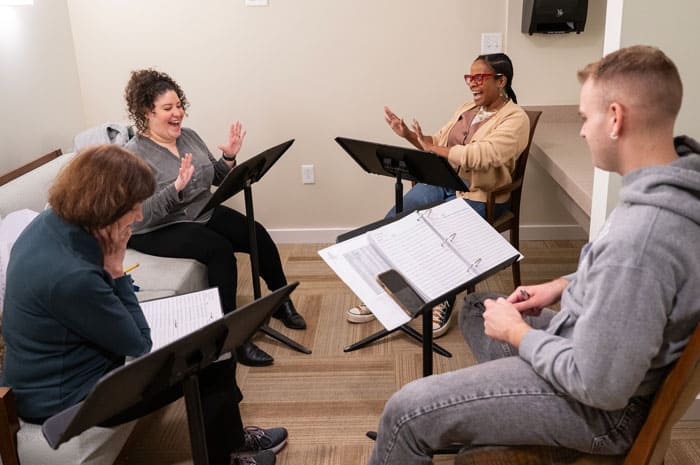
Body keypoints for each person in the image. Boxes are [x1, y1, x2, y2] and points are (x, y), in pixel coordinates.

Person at [366, 45, 700, 465]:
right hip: (582, 348)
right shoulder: (673, 196)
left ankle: (487, 411)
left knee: (405, 411)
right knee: (476, 308)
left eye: (585, 118)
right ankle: (492, 407)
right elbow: (637, 288)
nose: (581, 132)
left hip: (597, 409)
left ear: (615, 118)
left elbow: (600, 385)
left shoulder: (642, 238)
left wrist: (520, 334)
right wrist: (563, 284)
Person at [1, 146, 287, 465]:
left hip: (66, 371)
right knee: (206, 359)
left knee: (215, 341)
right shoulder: (71, 276)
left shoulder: (52, 222)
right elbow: (138, 343)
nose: (138, 216)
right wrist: (116, 267)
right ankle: (226, 458)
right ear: (104, 207)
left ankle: (232, 441)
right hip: (68, 400)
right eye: (133, 208)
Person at [124, 68, 306, 367]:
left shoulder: (189, 137)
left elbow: (215, 178)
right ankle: (233, 339)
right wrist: (176, 189)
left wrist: (229, 159)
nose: (177, 114)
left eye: (179, 105)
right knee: (219, 251)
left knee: (255, 231)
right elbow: (140, 215)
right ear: (147, 111)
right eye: (167, 108)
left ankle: (280, 301)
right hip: (158, 228)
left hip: (200, 212)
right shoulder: (134, 155)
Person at [347, 53, 530, 338]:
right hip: (446, 182)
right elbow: (436, 143)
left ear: (501, 80)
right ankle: (382, 291)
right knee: (395, 218)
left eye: (479, 78)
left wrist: (439, 151)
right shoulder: (467, 108)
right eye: (469, 78)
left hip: (482, 194)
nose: (472, 84)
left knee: (442, 235)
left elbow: (485, 155)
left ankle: (442, 298)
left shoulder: (516, 118)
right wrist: (407, 134)